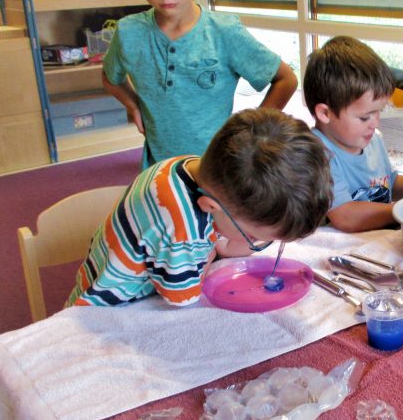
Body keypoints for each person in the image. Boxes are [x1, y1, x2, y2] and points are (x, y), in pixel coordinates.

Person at [67, 108, 332, 307]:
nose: (256, 244)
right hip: (107, 309)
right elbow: (182, 297)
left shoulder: (199, 168)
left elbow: (222, 243)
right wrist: (209, 256)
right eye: (254, 238)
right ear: (210, 205)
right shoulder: (180, 227)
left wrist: (234, 242)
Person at [103, 0, 298, 167]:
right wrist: (134, 105)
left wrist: (252, 133)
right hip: (158, 172)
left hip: (217, 169)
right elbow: (110, 77)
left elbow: (286, 80)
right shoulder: (128, 32)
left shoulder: (224, 32)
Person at [303, 36, 403, 233]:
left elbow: (388, 186)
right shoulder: (317, 155)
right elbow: (345, 216)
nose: (375, 123)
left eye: (378, 112)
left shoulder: (371, 140)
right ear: (325, 113)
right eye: (365, 117)